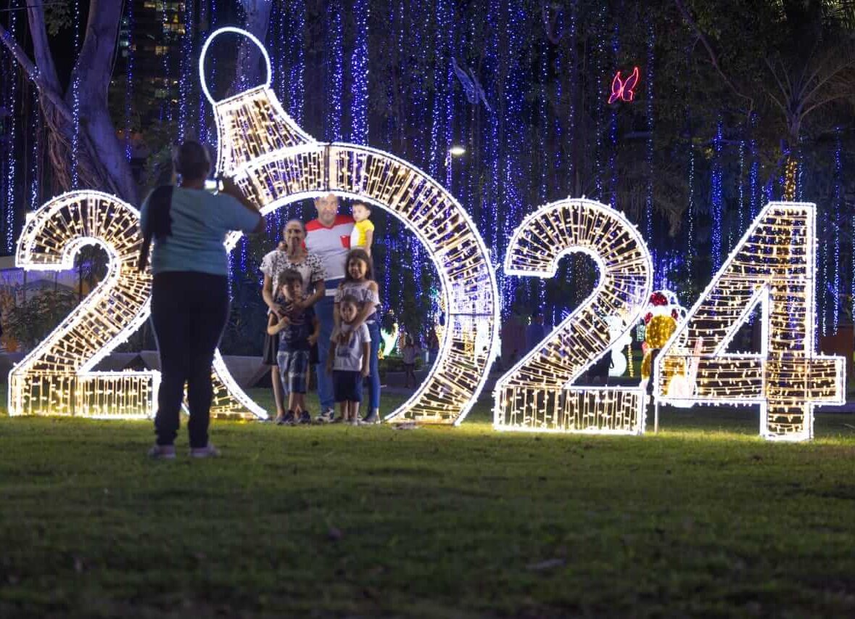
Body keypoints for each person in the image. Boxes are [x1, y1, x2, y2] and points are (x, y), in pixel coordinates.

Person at [139, 139, 263, 459]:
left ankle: (165, 442)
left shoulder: (160, 199)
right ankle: (198, 444)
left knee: (172, 365)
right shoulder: (219, 203)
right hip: (210, 286)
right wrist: (234, 192)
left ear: (177, 168)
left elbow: (145, 230)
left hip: (168, 285)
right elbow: (258, 224)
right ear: (207, 169)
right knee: (200, 365)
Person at [260, 219, 326, 420]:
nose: (294, 235)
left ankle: (298, 408)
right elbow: (266, 289)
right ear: (284, 234)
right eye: (290, 231)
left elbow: (321, 289)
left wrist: (304, 305)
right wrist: (275, 308)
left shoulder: (312, 260)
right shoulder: (274, 258)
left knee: (302, 363)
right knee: (276, 363)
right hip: (280, 314)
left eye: (298, 231)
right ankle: (281, 410)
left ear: (304, 235)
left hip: (302, 315)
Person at [304, 193, 355, 422]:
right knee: (325, 353)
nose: (329, 208)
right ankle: (327, 408)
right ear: (316, 204)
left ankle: (349, 410)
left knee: (350, 353)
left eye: (333, 203)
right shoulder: (307, 231)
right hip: (323, 294)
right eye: (324, 203)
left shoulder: (350, 225)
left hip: (348, 294)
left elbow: (363, 254)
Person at [334, 249, 382, 423]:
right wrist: (340, 328)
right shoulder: (343, 286)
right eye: (352, 264)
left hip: (368, 329)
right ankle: (349, 413)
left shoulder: (371, 285)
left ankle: (374, 411)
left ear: (366, 266)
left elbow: (368, 308)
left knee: (369, 368)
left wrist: (353, 328)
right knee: (348, 369)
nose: (355, 268)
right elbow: (336, 308)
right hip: (346, 332)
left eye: (358, 265)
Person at [267, 269, 319, 425]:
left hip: (301, 348)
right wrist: (280, 326)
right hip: (284, 349)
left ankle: (290, 413)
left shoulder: (305, 306)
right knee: (287, 381)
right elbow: (270, 329)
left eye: (297, 286)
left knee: (297, 378)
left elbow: (316, 323)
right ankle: (303, 412)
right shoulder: (278, 307)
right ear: (282, 288)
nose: (294, 290)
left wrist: (315, 336)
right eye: (290, 287)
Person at [327, 295, 370, 425]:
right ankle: (343, 415)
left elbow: (367, 346)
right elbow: (332, 346)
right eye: (343, 310)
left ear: (357, 309)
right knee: (341, 393)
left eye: (350, 310)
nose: (346, 313)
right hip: (339, 367)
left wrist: (366, 365)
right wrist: (330, 362)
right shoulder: (338, 327)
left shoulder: (362, 327)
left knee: (354, 394)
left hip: (354, 367)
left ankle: (354, 416)